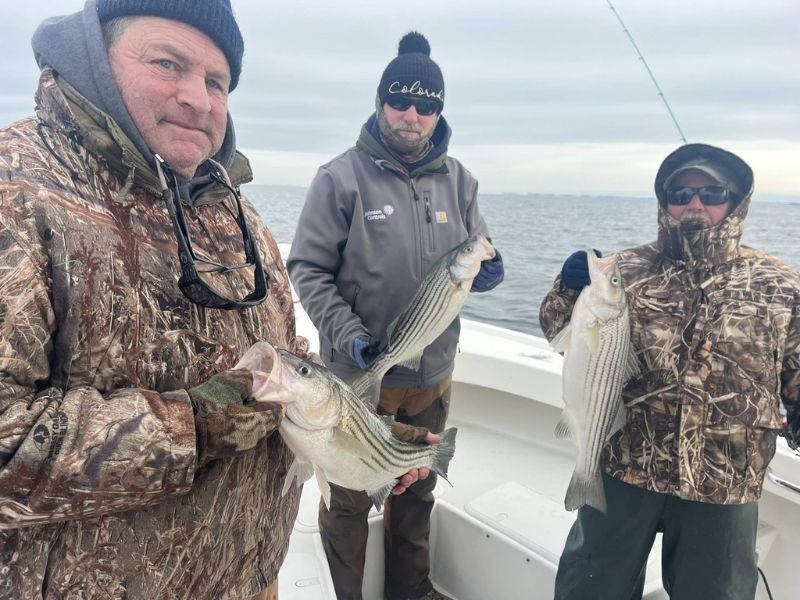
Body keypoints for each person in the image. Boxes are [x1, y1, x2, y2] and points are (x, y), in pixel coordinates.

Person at [0, 1, 307, 599]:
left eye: (216, 81)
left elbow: (287, 354)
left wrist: (371, 441)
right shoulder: (16, 193)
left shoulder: (236, 216)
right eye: (168, 63)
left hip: (246, 581)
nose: (199, 98)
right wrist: (192, 426)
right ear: (94, 58)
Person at [286, 31, 504, 600]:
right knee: (350, 497)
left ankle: (414, 590)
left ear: (438, 111)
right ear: (380, 103)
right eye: (400, 102)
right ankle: (346, 594)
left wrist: (488, 270)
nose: (412, 115)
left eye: (426, 105)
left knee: (417, 488)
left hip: (433, 375)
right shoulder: (341, 177)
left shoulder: (461, 181)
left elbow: (475, 252)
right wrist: (350, 336)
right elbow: (307, 269)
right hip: (357, 379)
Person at [540, 143, 800, 600]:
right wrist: (567, 288)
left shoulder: (779, 282)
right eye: (679, 193)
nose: (694, 204)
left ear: (737, 199)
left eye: (711, 192)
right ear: (664, 203)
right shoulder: (627, 269)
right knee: (589, 587)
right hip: (625, 465)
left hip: (725, 480)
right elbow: (560, 332)